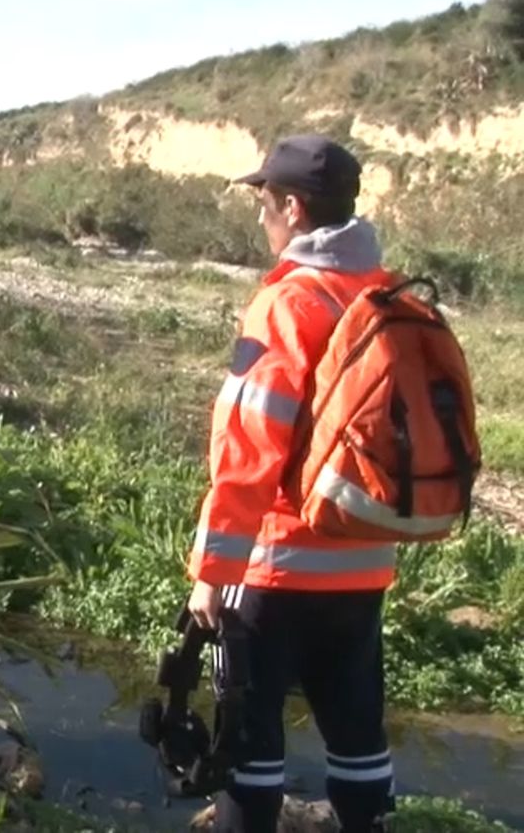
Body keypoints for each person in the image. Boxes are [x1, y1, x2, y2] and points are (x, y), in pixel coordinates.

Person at [185, 135, 401, 832]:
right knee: (356, 728)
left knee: (250, 743)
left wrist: (212, 572)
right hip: (367, 562)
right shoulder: (385, 293)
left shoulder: (286, 305)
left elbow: (249, 453)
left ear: (292, 207)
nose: (260, 218)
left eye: (264, 203)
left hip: (278, 568)